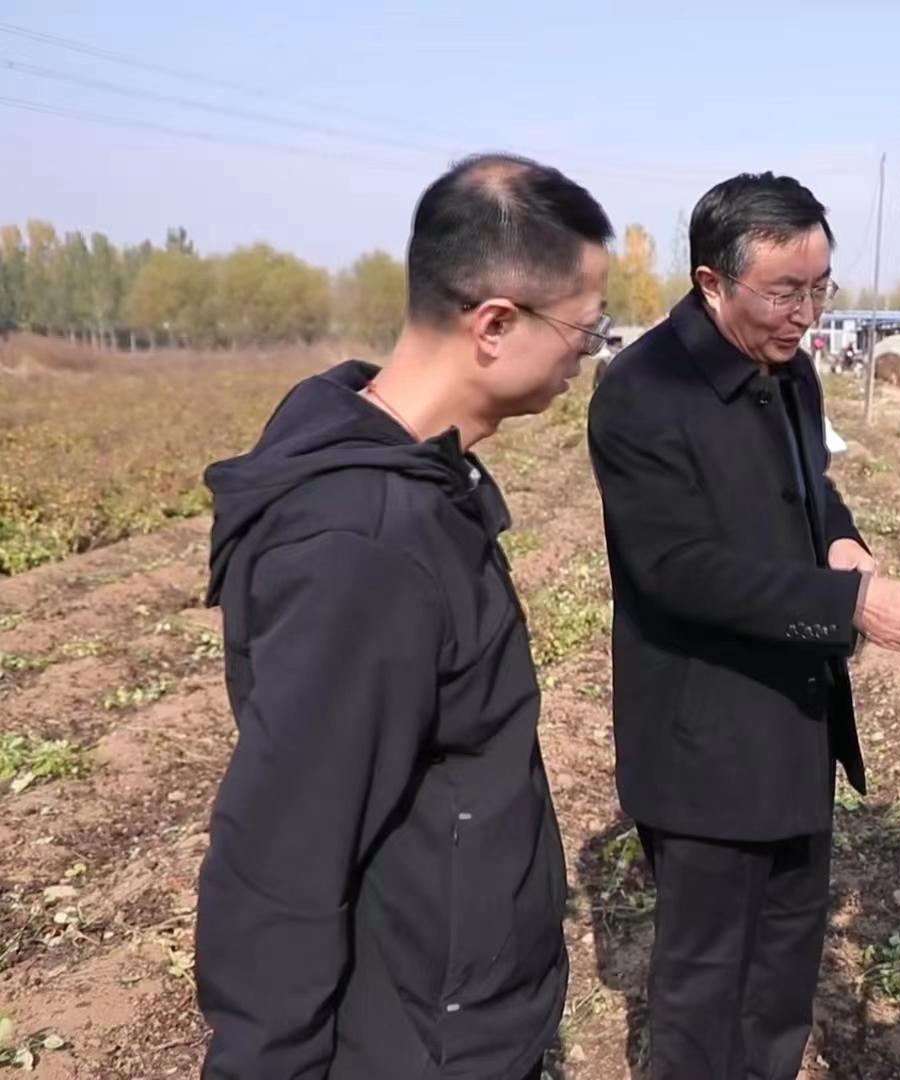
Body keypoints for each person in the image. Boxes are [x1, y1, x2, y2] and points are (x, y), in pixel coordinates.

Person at [196, 154, 614, 1078]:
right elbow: (284, 855)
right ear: (496, 325)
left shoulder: (416, 473)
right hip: (421, 1044)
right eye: (586, 331)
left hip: (458, 1012)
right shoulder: (368, 545)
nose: (587, 355)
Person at [587, 171, 900, 1079]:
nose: (807, 313)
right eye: (785, 291)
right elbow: (675, 569)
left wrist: (845, 544)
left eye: (820, 287)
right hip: (707, 739)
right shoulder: (644, 391)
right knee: (705, 984)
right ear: (713, 282)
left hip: (795, 722)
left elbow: (812, 487)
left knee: (784, 970)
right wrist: (854, 606)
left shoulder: (789, 373)